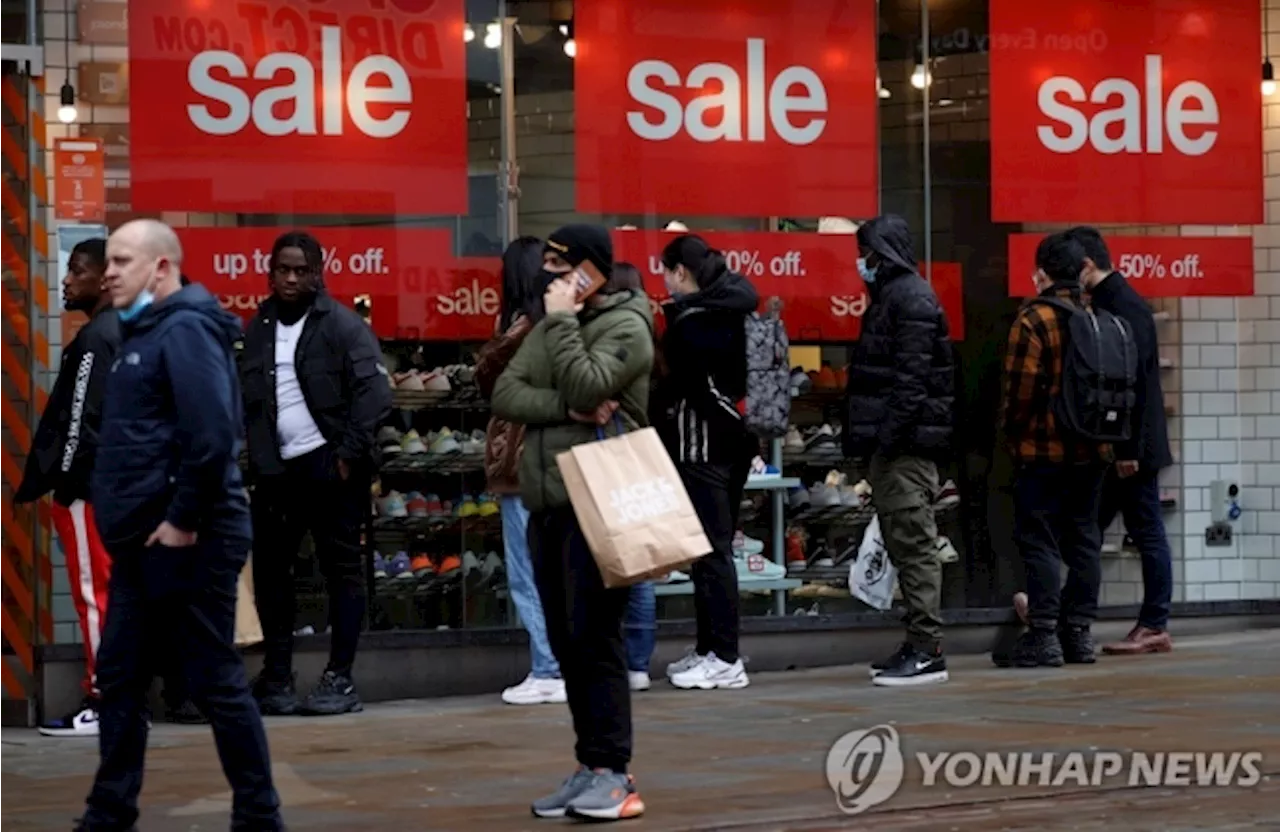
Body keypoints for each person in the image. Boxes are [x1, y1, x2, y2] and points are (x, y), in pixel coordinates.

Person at [76, 219, 282, 831]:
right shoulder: (143, 334)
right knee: (119, 677)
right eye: (108, 260)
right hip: (145, 541)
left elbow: (213, 433)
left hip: (190, 538)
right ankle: (108, 812)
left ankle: (259, 815)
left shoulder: (186, 329)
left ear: (160, 268)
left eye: (121, 260)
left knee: (214, 677)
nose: (109, 271)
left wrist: (182, 519)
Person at [492, 224, 654, 821]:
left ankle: (616, 773)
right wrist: (563, 407)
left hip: (601, 501)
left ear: (592, 270)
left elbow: (593, 381)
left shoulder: (627, 325)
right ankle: (590, 765)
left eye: (563, 266)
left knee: (595, 639)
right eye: (550, 266)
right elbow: (507, 391)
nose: (552, 277)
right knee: (564, 638)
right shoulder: (553, 322)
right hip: (549, 501)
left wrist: (560, 328)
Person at [241, 230, 392, 717]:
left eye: (300, 270)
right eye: (282, 269)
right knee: (271, 573)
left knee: (341, 572)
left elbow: (373, 394)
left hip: (330, 467)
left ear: (317, 273)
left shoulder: (341, 325)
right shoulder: (258, 326)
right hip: (275, 471)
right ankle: (278, 676)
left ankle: (340, 678)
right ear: (270, 272)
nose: (290, 278)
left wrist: (348, 454)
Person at [843, 215, 955, 687]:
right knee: (906, 543)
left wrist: (886, 441)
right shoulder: (898, 295)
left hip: (905, 448)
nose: (861, 263)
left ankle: (927, 649)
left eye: (866, 252)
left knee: (913, 546)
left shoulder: (909, 298)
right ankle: (917, 643)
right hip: (899, 445)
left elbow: (911, 383)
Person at [16, 239, 118, 737]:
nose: (66, 280)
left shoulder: (96, 340)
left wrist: (68, 486)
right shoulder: (123, 332)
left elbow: (82, 421)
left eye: (77, 271)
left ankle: (102, 699)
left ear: (103, 279)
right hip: (117, 488)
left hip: (88, 493)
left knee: (92, 594)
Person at [650, 235, 759, 690]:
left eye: (666, 271)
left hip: (703, 448)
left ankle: (726, 657)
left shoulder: (694, 324)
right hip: (734, 447)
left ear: (681, 272)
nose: (663, 281)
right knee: (711, 552)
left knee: (711, 552)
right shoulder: (735, 309)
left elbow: (694, 388)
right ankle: (709, 648)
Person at [999, 232, 1110, 669]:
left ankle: (1043, 634)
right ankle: (1078, 635)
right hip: (1093, 452)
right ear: (1082, 269)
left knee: (1040, 540)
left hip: (1042, 452)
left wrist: (1010, 438)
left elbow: (1019, 392)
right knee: (1085, 541)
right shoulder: (1099, 318)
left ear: (1042, 272)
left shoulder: (1035, 320)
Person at [1067, 226, 1175, 655]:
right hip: (1125, 445)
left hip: (1132, 447)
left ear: (1087, 266)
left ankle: (1154, 623)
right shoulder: (1119, 302)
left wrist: (1128, 449)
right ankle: (1069, 612)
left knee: (1144, 529)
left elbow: (1137, 383)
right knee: (1089, 526)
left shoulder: (1123, 307)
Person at [478, 236, 567, 706]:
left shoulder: (523, 328)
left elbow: (487, 375)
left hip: (519, 460)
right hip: (559, 459)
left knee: (527, 569)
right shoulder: (568, 324)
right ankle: (559, 663)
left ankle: (547, 666)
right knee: (553, 566)